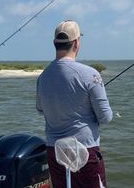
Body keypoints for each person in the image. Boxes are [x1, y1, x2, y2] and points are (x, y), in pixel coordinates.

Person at [36, 20, 113, 188]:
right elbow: (106, 117)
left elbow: (41, 109)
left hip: (55, 153)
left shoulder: (43, 77)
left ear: (54, 43)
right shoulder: (90, 74)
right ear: (77, 42)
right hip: (85, 152)